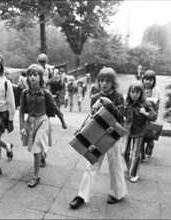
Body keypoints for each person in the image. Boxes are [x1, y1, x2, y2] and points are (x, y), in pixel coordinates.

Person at [69, 67, 127, 210]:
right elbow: (92, 117)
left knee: (115, 165)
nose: (104, 83)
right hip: (98, 135)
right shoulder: (95, 97)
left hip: (113, 135)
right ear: (98, 82)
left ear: (112, 82)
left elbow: (121, 118)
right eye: (101, 80)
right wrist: (82, 129)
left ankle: (117, 193)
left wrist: (109, 104)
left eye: (107, 80)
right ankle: (82, 196)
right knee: (91, 164)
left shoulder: (118, 97)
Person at [19, 64, 67, 188]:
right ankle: (43, 155)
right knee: (36, 147)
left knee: (36, 148)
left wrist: (62, 122)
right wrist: (22, 126)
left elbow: (55, 108)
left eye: (35, 75)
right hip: (30, 121)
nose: (32, 77)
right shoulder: (25, 93)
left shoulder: (46, 93)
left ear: (40, 77)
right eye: (30, 75)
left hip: (43, 121)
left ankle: (35, 176)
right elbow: (21, 110)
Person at [122, 81, 157, 182]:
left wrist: (145, 113)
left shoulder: (145, 104)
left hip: (139, 131)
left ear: (141, 93)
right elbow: (121, 113)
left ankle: (133, 173)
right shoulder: (127, 103)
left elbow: (154, 116)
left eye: (137, 93)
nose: (134, 95)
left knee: (135, 153)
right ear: (129, 92)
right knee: (123, 152)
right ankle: (129, 167)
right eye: (132, 92)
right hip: (127, 130)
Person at [141, 70, 162, 159]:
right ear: (143, 79)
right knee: (141, 133)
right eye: (146, 79)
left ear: (154, 81)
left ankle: (148, 150)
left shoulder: (156, 90)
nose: (148, 82)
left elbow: (158, 101)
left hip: (151, 114)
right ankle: (141, 153)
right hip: (142, 113)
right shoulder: (140, 88)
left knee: (150, 133)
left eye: (150, 80)